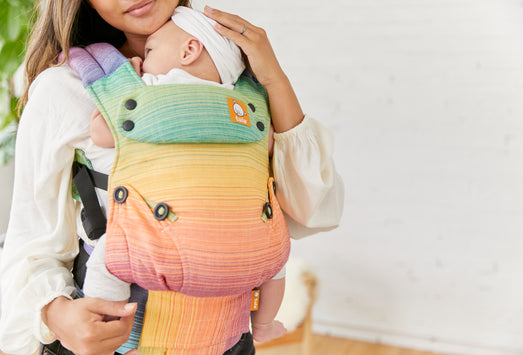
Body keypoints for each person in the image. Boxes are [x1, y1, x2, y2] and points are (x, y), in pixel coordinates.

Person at [0, 0, 344, 354]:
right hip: (110, 340)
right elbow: (31, 239)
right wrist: (56, 314)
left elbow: (312, 212)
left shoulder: (242, 86)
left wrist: (274, 78)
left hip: (228, 341)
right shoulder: (68, 87)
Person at [84, 6, 288, 346]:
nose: (144, 58)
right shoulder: (244, 103)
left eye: (149, 51)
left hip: (166, 239)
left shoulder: (149, 87)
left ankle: (108, 332)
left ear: (188, 50)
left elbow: (104, 133)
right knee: (275, 261)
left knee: (110, 256)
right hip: (240, 239)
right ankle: (265, 323)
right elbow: (265, 144)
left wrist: (124, 86)